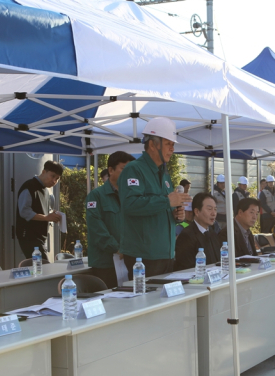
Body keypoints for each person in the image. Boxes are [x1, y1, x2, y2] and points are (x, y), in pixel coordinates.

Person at [118, 117, 192, 279]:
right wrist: (167, 201)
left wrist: (176, 216)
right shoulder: (134, 169)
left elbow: (162, 209)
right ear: (152, 144)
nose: (172, 149)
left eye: (173, 144)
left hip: (165, 254)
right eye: (168, 144)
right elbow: (130, 204)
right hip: (143, 257)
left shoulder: (164, 173)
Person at [85, 151, 135, 288]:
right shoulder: (96, 196)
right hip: (106, 263)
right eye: (124, 169)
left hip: (130, 260)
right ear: (111, 170)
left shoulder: (132, 195)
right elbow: (96, 228)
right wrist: (117, 248)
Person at [16, 160, 63, 262]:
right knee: (44, 268)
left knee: (40, 269)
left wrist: (51, 215)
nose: (54, 180)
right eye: (52, 176)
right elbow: (24, 211)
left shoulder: (46, 190)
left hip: (40, 238)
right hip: (29, 237)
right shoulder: (29, 186)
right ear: (43, 172)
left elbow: (42, 211)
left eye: (57, 178)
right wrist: (47, 217)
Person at [174, 193, 221, 271]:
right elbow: (186, 268)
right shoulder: (186, 236)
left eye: (215, 209)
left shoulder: (212, 233)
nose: (213, 213)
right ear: (196, 211)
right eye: (209, 209)